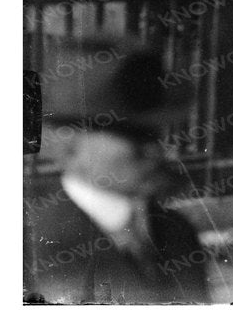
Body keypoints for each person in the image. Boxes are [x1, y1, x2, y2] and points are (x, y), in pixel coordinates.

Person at [23, 36, 212, 303]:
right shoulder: (30, 249)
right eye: (132, 135)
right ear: (69, 145)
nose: (156, 150)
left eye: (156, 133)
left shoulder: (178, 233)